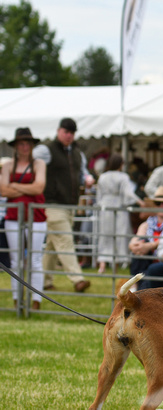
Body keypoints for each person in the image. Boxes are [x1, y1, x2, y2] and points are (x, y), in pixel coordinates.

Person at [33, 117, 94, 292]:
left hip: (70, 206)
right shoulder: (45, 150)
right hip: (51, 204)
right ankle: (77, 279)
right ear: (59, 131)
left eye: (72, 133)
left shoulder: (77, 153)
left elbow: (82, 173)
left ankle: (44, 282)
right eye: (66, 132)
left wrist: (87, 179)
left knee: (54, 244)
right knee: (65, 240)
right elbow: (30, 163)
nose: (69, 135)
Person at [1, 128, 47, 310]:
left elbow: (39, 188)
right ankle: (17, 299)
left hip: (35, 216)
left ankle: (36, 299)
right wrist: (26, 187)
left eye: (28, 143)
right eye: (21, 143)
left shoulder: (39, 164)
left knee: (35, 259)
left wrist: (14, 185)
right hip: (13, 215)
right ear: (16, 145)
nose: (25, 146)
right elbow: (3, 190)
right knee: (15, 260)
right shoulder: (7, 166)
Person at [96, 154, 145, 273]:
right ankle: (117, 263)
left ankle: (102, 263)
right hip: (118, 207)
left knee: (105, 234)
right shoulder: (123, 177)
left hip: (105, 207)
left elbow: (99, 194)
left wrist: (100, 205)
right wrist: (140, 201)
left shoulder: (102, 176)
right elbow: (128, 193)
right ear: (120, 164)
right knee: (120, 234)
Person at [128, 186, 163, 277]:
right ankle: (136, 285)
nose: (162, 206)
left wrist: (149, 246)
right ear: (154, 205)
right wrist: (134, 245)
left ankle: (136, 285)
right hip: (147, 262)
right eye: (158, 203)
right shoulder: (147, 224)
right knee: (140, 243)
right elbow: (136, 239)